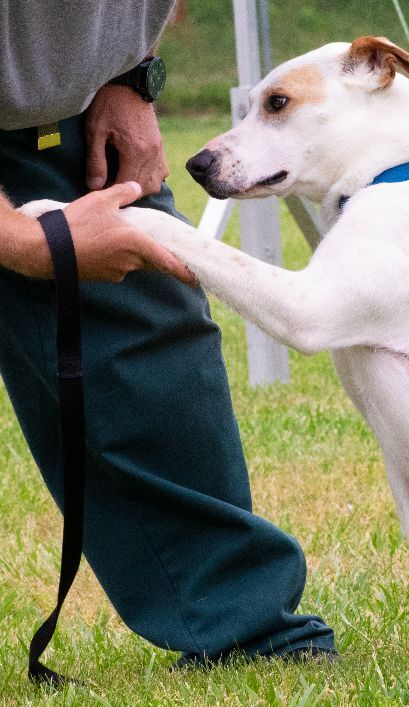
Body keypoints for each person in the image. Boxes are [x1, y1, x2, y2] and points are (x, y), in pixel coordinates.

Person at [0, 1, 337, 666]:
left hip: (56, 116)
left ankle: (244, 626)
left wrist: (132, 76)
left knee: (156, 341)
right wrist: (26, 243)